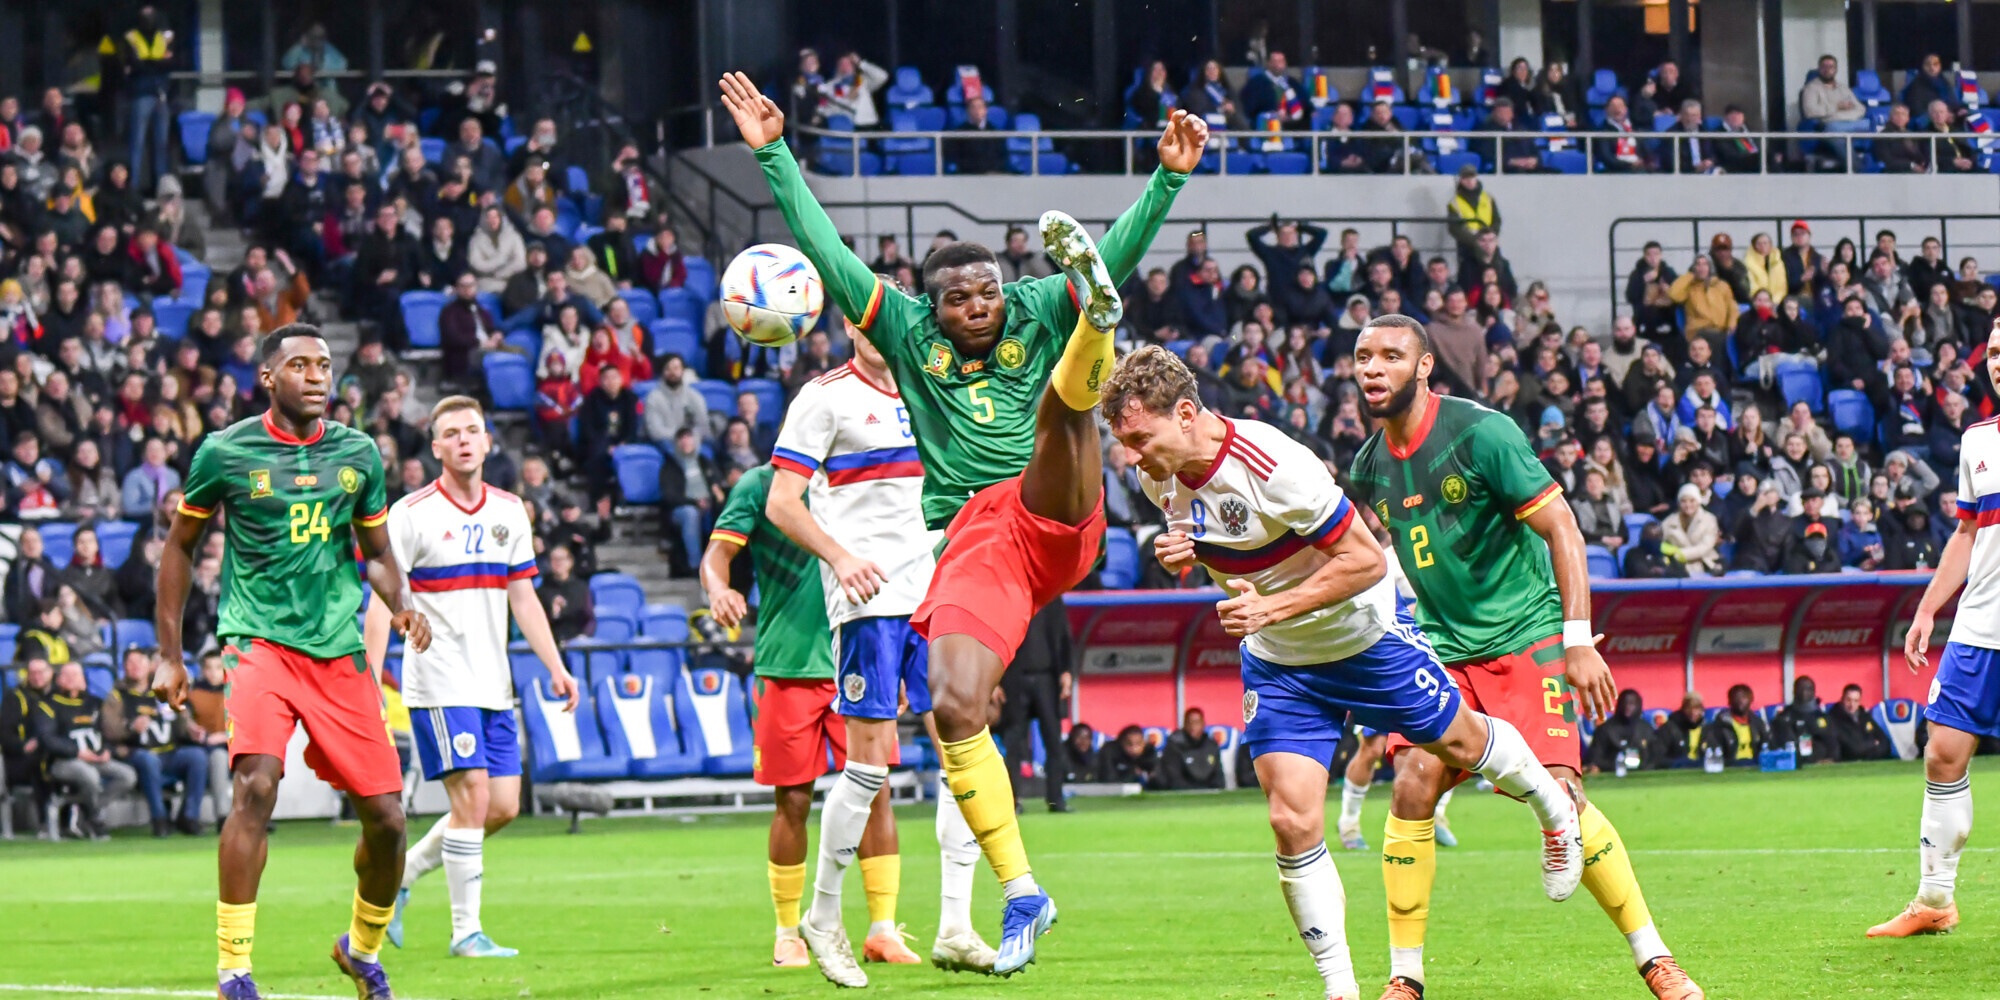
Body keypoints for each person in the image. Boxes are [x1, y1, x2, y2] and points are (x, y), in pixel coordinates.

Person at [723, 71, 1205, 975]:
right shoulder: (904, 332)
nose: (978, 308)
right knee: (954, 708)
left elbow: (1121, 246)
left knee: (1063, 408)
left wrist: (1167, 179)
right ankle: (1019, 892)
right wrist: (774, 153)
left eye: (987, 293)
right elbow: (825, 250)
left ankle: (1097, 329)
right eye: (959, 299)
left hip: (1052, 508)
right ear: (931, 305)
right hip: (979, 547)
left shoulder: (1033, 305)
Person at [1105, 344, 1588, 1000]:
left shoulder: (1273, 464)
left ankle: (1553, 811)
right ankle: (1341, 989)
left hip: (1362, 640)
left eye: (1138, 439)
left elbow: (1364, 561)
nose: (1129, 456)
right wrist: (1181, 551)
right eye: (1122, 442)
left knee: (1462, 742)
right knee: (1290, 821)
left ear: (1186, 414)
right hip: (1280, 663)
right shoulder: (1159, 473)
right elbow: (1199, 533)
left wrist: (1271, 606)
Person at [1347, 318, 1701, 999]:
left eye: (1391, 355)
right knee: (1413, 783)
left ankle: (1656, 959)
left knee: (1563, 793)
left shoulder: (1483, 434)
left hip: (1524, 637)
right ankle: (1404, 979)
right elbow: (1366, 555)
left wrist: (1577, 639)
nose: (1373, 368)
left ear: (1424, 367)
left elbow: (1562, 526)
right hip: (1443, 650)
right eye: (1364, 356)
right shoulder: (1368, 465)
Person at [148, 324, 432, 1000]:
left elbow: (377, 552)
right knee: (256, 786)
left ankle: (360, 949)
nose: (316, 376)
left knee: (389, 821)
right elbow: (179, 546)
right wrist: (169, 656)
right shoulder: (225, 451)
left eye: (324, 365)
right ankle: (234, 971)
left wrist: (402, 601)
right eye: (299, 365)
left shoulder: (358, 453)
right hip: (258, 642)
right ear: (268, 378)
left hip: (337, 650)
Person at [763, 325, 998, 975]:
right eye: (860, 319)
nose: (872, 329)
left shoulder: (935, 390)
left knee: (963, 754)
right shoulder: (823, 397)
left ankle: (956, 925)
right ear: (846, 326)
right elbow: (782, 503)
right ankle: (822, 919)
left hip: (938, 595)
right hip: (869, 604)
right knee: (868, 769)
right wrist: (840, 559)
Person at [364, 396, 577, 957]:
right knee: (473, 798)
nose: (463, 440)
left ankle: (404, 873)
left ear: (487, 442)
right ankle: (466, 933)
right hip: (438, 680)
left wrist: (555, 665)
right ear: (436, 447)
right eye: (452, 433)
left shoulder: (510, 511)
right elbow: (381, 599)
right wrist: (368, 678)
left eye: (472, 431)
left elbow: (523, 597)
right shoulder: (410, 514)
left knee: (502, 806)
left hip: (492, 683)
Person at [700, 463, 898, 973]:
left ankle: (883, 930)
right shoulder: (761, 485)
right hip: (788, 664)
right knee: (792, 800)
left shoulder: (864, 473)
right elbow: (717, 555)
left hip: (859, 653)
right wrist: (719, 590)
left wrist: (895, 657)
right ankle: (788, 933)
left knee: (877, 791)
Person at [1871, 324, 2000, 937]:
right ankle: (1934, 901)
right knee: (1942, 752)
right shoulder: (1977, 440)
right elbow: (1966, 533)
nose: (1998, 362)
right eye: (1994, 352)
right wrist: (1926, 611)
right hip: (1978, 626)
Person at [105, 644, 210, 836]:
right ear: (124, 667)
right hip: (137, 753)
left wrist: (190, 728)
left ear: (149, 665)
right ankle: (159, 818)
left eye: (140, 662)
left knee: (198, 756)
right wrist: (131, 728)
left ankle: (189, 816)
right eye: (130, 663)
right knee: (148, 760)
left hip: (170, 752)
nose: (135, 666)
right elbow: (109, 729)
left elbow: (181, 716)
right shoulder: (117, 695)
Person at [35, 659, 138, 839]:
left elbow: (106, 733)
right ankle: (94, 819)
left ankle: (90, 810)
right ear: (59, 679)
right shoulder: (48, 705)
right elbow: (47, 739)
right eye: (68, 675)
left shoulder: (94, 703)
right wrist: (77, 752)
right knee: (90, 775)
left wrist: (107, 751)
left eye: (76, 675)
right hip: (63, 761)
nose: (73, 679)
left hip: (96, 758)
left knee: (127, 776)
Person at [999, 600, 1074, 813]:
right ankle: (1011, 801)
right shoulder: (1009, 599)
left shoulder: (1052, 598)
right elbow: (996, 639)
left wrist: (1067, 670)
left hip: (1047, 678)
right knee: (1013, 743)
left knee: (1053, 741)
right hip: (1014, 679)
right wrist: (995, 680)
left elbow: (1064, 634)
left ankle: (1056, 800)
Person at [1586, 689, 1666, 773]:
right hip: (1613, 774)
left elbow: (1656, 757)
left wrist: (1644, 766)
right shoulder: (1605, 730)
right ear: (1618, 705)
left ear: (1639, 706)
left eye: (1632, 704)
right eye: (1624, 703)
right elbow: (1594, 759)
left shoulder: (1646, 729)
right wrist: (1619, 765)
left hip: (1643, 774)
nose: (1628, 707)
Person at [1770, 676, 1835, 765]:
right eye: (1801, 689)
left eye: (1808, 689)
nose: (1804, 692)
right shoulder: (1784, 717)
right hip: (1797, 764)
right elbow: (1788, 746)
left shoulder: (1823, 717)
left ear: (1814, 692)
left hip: (1824, 764)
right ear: (1794, 691)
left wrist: (1831, 759)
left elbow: (1833, 743)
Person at [1156, 706, 1225, 790]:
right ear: (1184, 725)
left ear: (1203, 724)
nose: (1193, 726)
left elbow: (1218, 776)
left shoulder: (1211, 745)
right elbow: (1174, 778)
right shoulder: (1174, 744)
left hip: (1209, 792)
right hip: (1182, 793)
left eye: (1197, 722)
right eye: (1189, 723)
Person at [1701, 684, 1770, 766]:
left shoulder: (1757, 723)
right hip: (1731, 765)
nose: (1740, 701)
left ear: (1751, 700)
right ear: (1729, 701)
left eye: (1744, 697)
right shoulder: (1721, 724)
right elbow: (1715, 750)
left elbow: (1766, 745)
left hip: (1754, 764)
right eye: (1736, 697)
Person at [1824, 682, 1893, 762]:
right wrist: (1873, 743)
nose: (1852, 705)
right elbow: (1854, 750)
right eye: (1848, 700)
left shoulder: (1864, 716)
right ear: (1842, 699)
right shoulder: (1833, 718)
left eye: (1856, 701)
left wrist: (1867, 750)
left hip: (1870, 762)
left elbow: (1885, 742)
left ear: (1860, 701)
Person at [1657, 693, 1710, 765]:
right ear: (1683, 709)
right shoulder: (1669, 728)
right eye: (1689, 708)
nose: (1693, 713)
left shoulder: (1707, 729)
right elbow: (1659, 757)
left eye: (1697, 708)